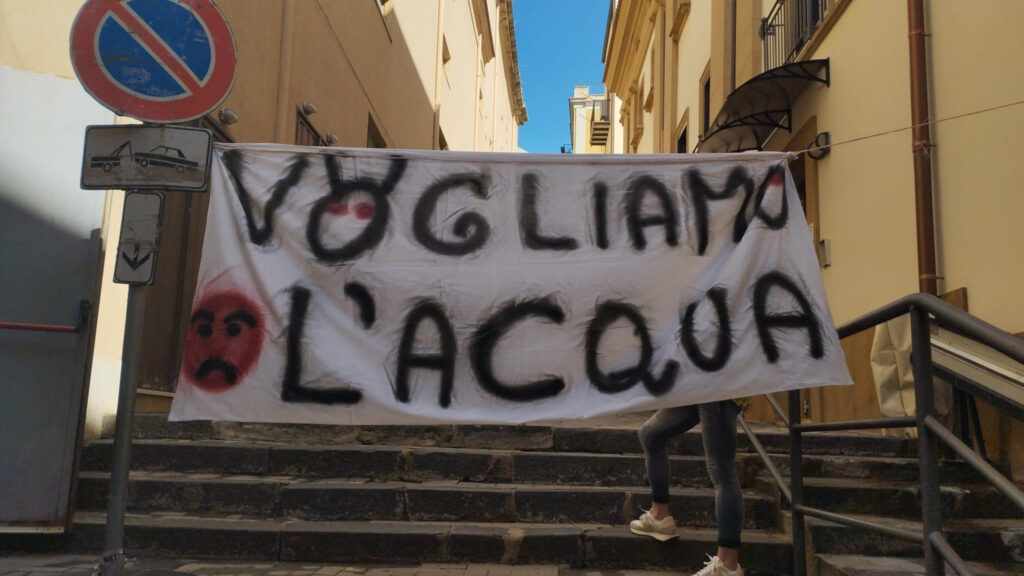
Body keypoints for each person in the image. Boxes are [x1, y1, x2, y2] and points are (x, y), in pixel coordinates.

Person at [630, 399, 747, 576]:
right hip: (700, 388)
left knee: (722, 469)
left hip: (718, 390)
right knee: (650, 435)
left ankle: (727, 564)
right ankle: (659, 517)